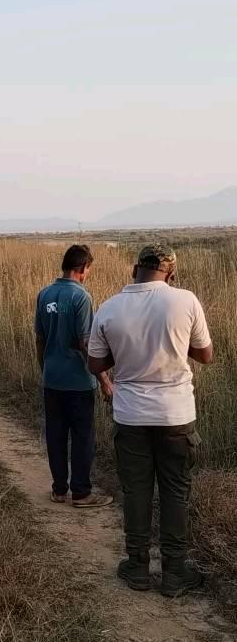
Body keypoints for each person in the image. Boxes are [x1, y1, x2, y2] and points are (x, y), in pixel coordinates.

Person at [88, 244, 213, 597]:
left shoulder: (109, 307)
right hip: (176, 416)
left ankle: (137, 566)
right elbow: (206, 355)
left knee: (136, 491)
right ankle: (175, 572)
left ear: (134, 270)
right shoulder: (185, 300)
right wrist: (175, 343)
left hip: (130, 416)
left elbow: (95, 364)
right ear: (171, 274)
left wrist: (125, 353)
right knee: (175, 493)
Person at [35, 244, 114, 508]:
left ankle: (59, 489)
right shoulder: (81, 297)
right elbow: (85, 343)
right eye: (88, 269)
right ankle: (81, 493)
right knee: (82, 436)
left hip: (52, 378)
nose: (88, 274)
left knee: (55, 435)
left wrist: (45, 368)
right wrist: (105, 381)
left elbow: (39, 339)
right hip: (78, 382)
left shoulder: (44, 294)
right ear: (82, 268)